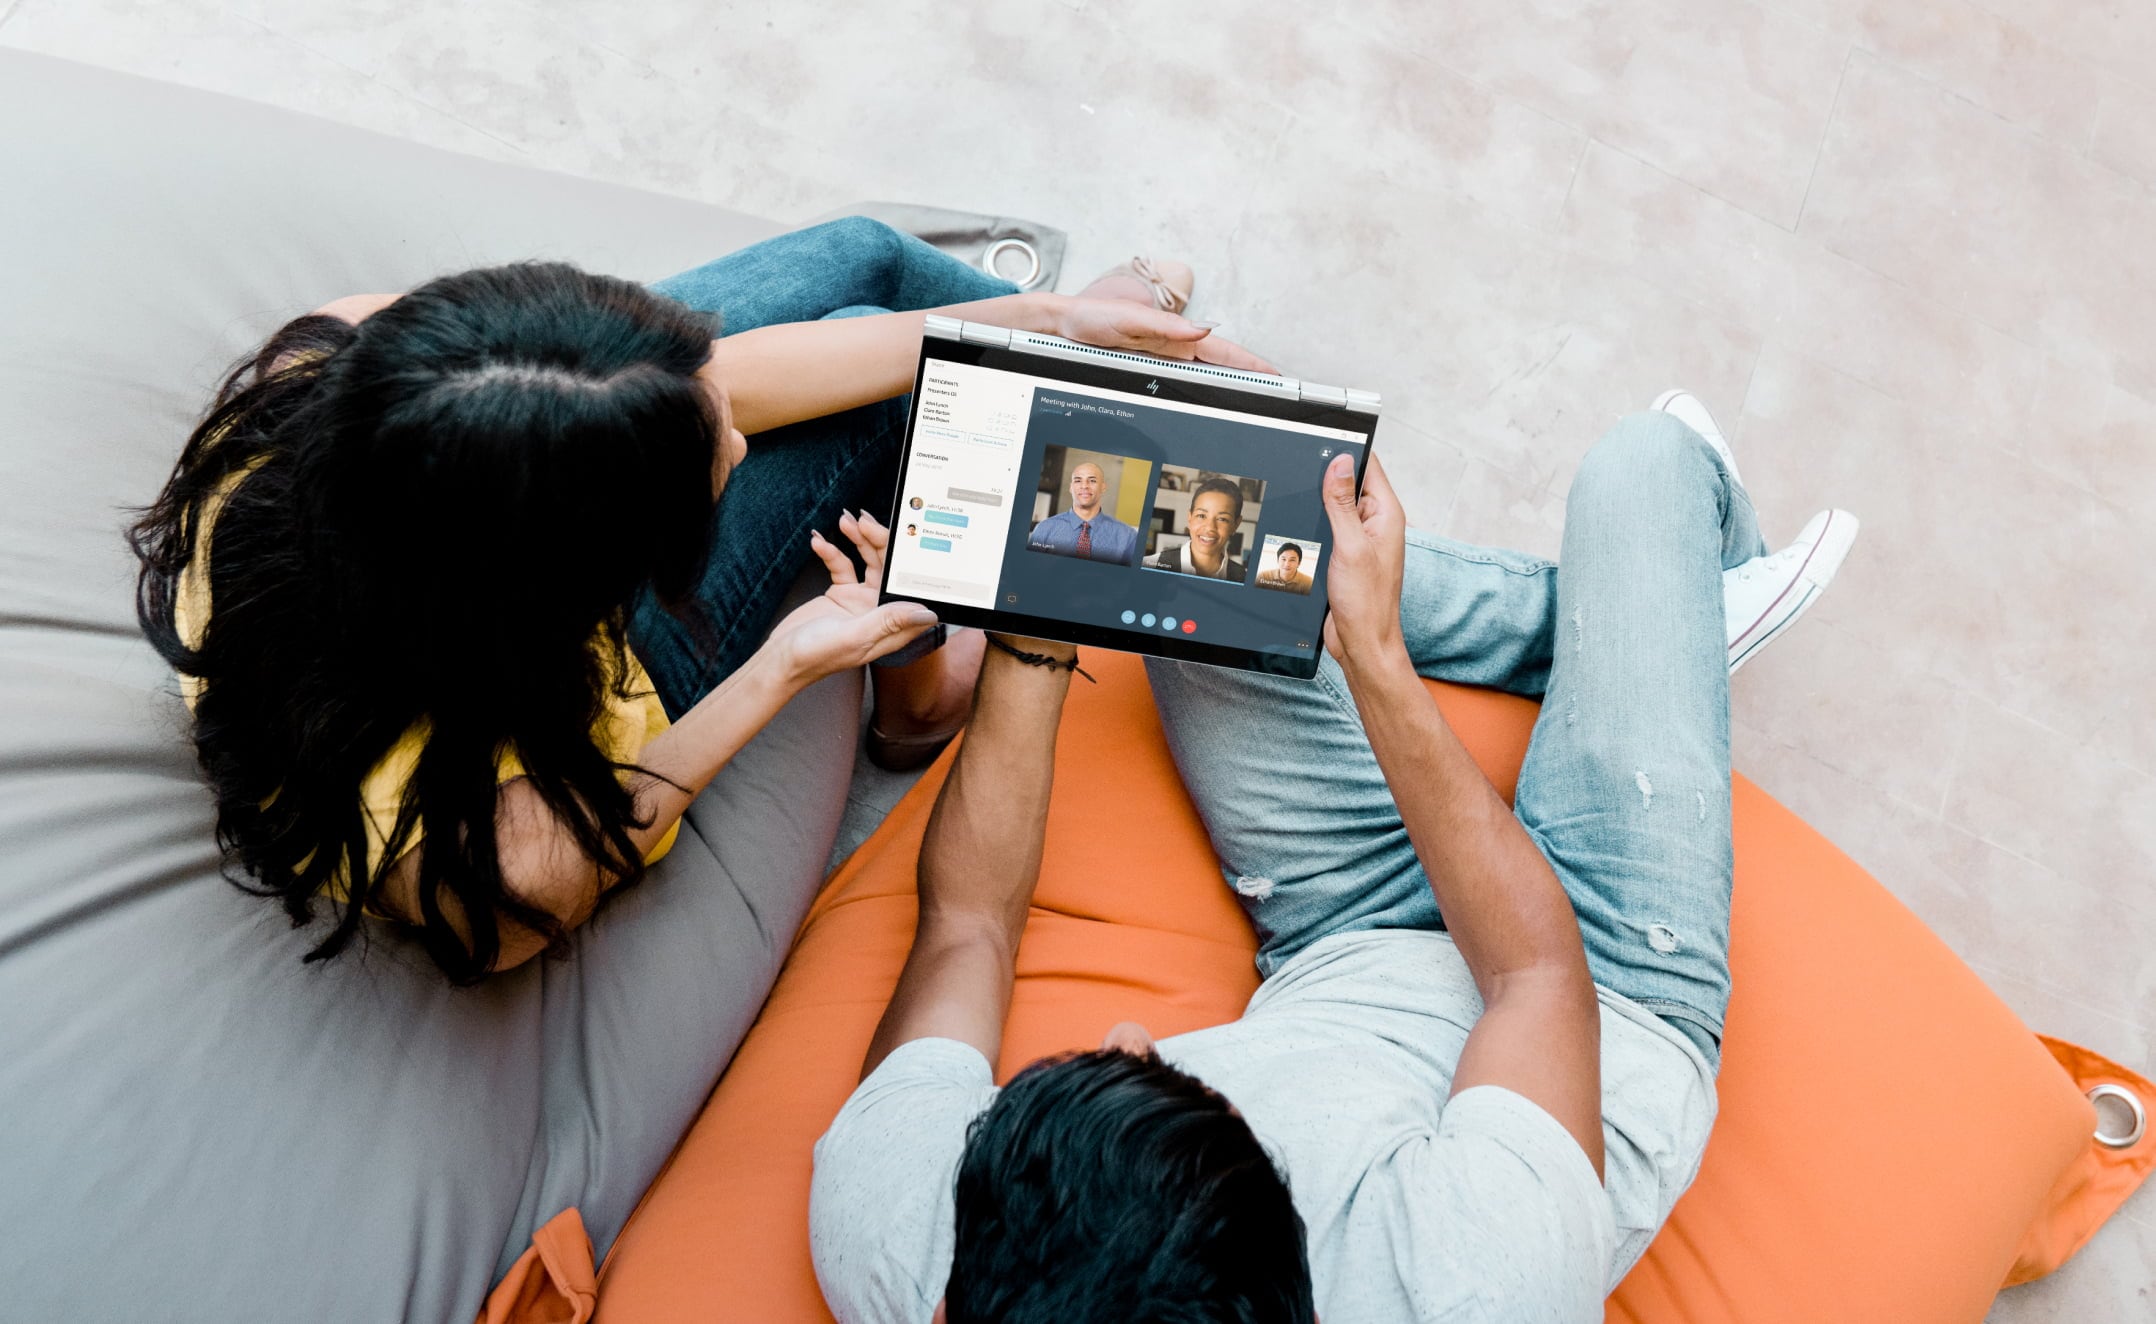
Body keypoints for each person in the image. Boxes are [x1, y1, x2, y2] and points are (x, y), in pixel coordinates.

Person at [809, 393, 1860, 1321]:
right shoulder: (1479, 1290)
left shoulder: (905, 1245)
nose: (1134, 1035)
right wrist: (1374, 658)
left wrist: (1031, 631)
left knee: (1199, 521)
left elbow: (965, 929)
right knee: (1644, 463)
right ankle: (1653, 619)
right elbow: (1536, 977)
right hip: (1606, 986)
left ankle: (1615, 627)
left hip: (1338, 938)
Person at [130, 218, 1267, 982]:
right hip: (558, 703)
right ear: (586, 577)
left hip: (497, 572)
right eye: (700, 458)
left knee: (864, 258)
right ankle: (924, 688)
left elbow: (722, 389)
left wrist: (1043, 325)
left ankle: (1080, 346)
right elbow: (623, 811)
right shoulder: (496, 856)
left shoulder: (336, 367)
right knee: (896, 405)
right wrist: (791, 660)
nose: (731, 436)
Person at [1026, 460, 1141, 565]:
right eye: (1078, 480)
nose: (1084, 486)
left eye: (1092, 481)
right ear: (1071, 488)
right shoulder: (1044, 529)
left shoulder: (1128, 537)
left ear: (1103, 487)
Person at [1144, 476, 1248, 582]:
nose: (1210, 527)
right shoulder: (1148, 565)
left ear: (1236, 524)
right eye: (1201, 516)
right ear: (1190, 517)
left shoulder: (1245, 579)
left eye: (1222, 519)